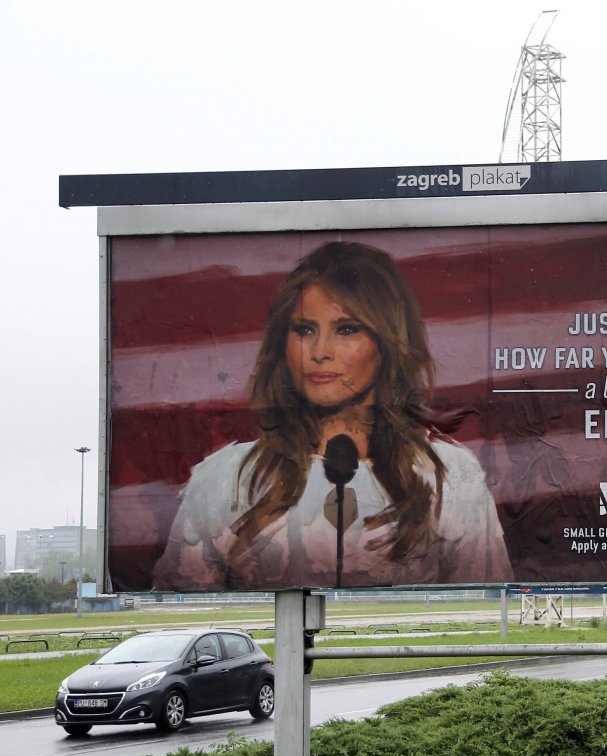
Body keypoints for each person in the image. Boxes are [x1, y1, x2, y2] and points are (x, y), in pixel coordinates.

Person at [153, 241, 511, 590]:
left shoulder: (449, 478)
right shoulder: (227, 478)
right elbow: (180, 613)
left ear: (387, 343)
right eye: (304, 330)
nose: (320, 351)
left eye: (346, 329)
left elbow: (488, 611)